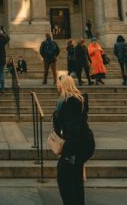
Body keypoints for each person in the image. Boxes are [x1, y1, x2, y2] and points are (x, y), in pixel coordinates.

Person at [53, 74, 94, 205]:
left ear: (62, 85)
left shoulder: (70, 102)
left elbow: (73, 129)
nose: (56, 86)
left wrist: (68, 154)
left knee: (65, 179)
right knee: (75, 180)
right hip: (83, 144)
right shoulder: (76, 100)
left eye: (57, 84)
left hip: (75, 146)